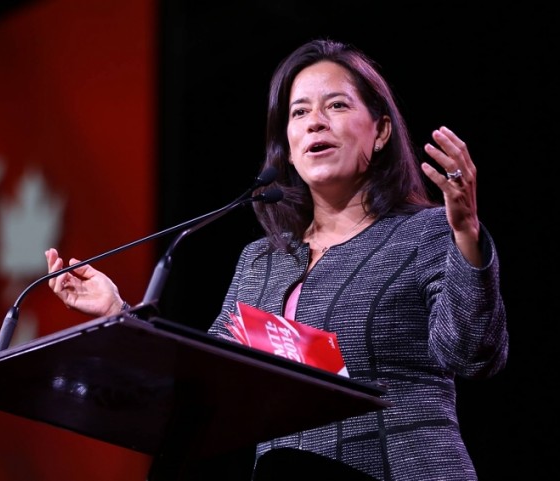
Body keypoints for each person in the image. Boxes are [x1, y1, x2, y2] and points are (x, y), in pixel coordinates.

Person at [45, 38, 508, 481]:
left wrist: (466, 236)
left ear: (381, 130)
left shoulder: (425, 233)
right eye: (299, 112)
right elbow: (204, 380)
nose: (315, 121)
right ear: (286, 142)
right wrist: (117, 313)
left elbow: (472, 356)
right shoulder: (261, 261)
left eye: (337, 105)